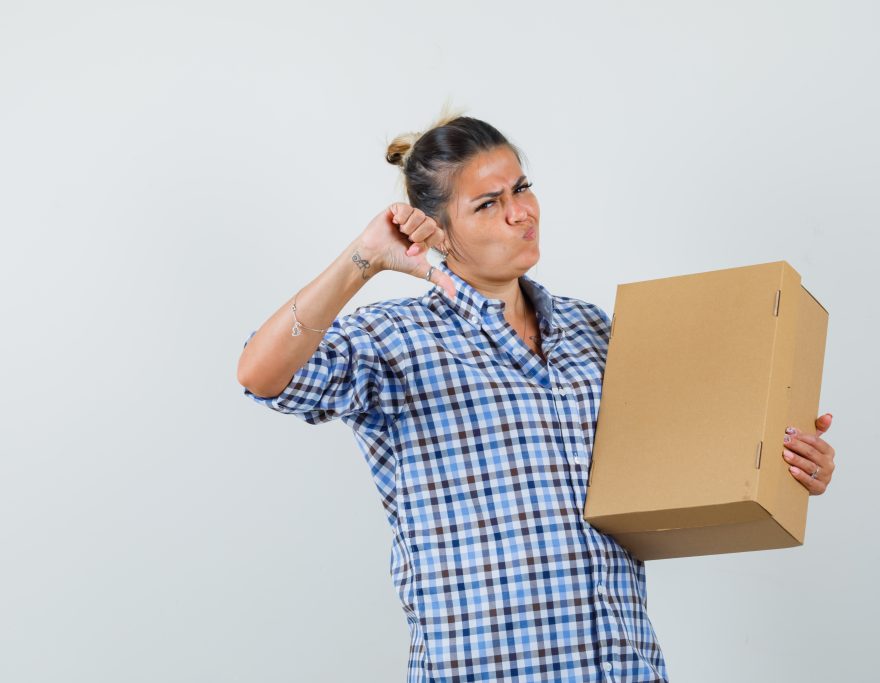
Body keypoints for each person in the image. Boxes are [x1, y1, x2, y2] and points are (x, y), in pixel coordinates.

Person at [236, 109, 838, 682]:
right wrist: (363, 259)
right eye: (488, 204)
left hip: (622, 664)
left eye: (522, 188)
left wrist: (781, 455)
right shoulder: (393, 341)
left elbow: (676, 466)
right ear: (438, 231)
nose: (521, 213)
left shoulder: (594, 330)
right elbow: (261, 377)